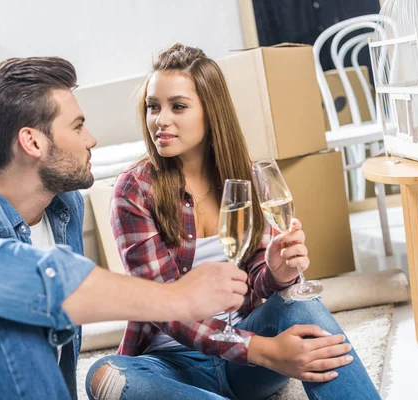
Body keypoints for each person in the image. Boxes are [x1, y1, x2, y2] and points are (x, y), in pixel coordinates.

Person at [0, 57, 250, 400]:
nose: (91, 139)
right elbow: (14, 278)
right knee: (7, 318)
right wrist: (179, 298)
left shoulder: (63, 206)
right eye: (77, 126)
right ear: (33, 141)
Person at [87, 44, 380, 400]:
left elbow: (257, 284)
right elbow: (164, 306)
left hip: (246, 362)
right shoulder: (134, 190)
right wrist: (267, 351)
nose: (160, 120)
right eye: (153, 106)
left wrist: (277, 272)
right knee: (105, 376)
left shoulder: (243, 178)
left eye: (177, 106)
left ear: (211, 111)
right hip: (174, 365)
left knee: (301, 304)